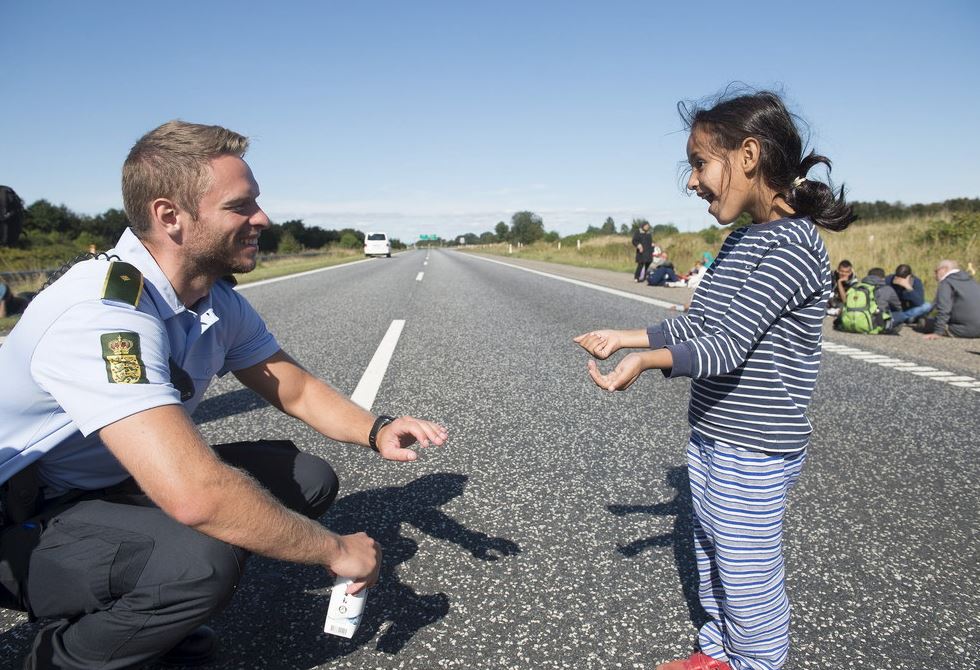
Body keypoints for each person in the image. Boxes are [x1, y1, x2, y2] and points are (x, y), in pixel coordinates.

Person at [0, 120, 448, 669]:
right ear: (171, 217)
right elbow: (195, 495)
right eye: (241, 206)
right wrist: (337, 551)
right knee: (198, 561)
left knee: (307, 478)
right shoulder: (103, 316)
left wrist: (376, 429)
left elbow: (294, 385)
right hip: (21, 515)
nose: (263, 218)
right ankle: (61, 655)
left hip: (105, 485)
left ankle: (146, 608)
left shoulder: (212, 298)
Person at [575, 90, 854, 670]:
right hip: (714, 434)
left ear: (748, 155)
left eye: (700, 163)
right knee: (711, 553)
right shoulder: (743, 241)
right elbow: (702, 323)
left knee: (749, 578)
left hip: (754, 446)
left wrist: (646, 364)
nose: (691, 182)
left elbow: (725, 349)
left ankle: (756, 662)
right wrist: (626, 338)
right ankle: (720, 653)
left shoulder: (794, 247)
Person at [923, 259, 980, 339]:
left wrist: (938, 332)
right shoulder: (972, 281)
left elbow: (944, 309)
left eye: (936, 271)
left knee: (923, 323)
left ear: (944, 269)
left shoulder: (946, 282)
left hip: (964, 329)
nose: (934, 275)